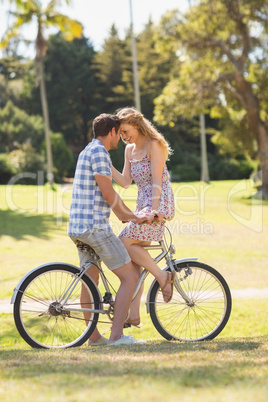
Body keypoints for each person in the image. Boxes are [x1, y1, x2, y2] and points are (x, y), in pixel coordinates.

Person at [68, 113, 154, 346]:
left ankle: (94, 338)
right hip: (94, 227)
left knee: (90, 281)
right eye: (120, 133)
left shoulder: (88, 150)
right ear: (112, 132)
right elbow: (109, 193)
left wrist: (126, 216)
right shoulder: (100, 153)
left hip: (78, 227)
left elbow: (108, 193)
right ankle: (116, 337)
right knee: (130, 277)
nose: (122, 138)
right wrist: (133, 216)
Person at [112, 107, 176, 327]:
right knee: (134, 261)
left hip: (158, 203)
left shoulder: (154, 145)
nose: (123, 136)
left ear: (137, 125)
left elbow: (157, 180)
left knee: (123, 242)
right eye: (120, 133)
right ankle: (134, 315)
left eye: (125, 131)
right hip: (142, 205)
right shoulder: (129, 150)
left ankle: (162, 276)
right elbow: (125, 182)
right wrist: (104, 163)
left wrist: (153, 210)